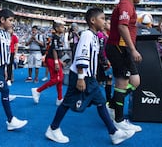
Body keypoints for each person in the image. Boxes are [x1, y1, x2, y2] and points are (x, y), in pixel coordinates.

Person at [45, 8, 135, 145]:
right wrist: (81, 77)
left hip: (89, 77)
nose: (105, 22)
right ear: (93, 21)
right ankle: (53, 128)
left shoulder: (94, 36)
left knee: (100, 102)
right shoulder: (87, 35)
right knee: (68, 102)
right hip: (82, 76)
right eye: (103, 18)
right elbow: (82, 54)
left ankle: (113, 132)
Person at [105, 0, 144, 132]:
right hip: (120, 47)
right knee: (124, 83)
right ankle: (119, 120)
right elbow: (122, 26)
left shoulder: (127, 5)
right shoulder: (126, 5)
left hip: (122, 47)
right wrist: (133, 49)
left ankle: (113, 106)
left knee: (134, 81)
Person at [31, 20, 65, 106]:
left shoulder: (59, 37)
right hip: (52, 59)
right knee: (56, 79)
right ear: (56, 28)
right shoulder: (56, 38)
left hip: (55, 59)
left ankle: (60, 98)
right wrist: (57, 62)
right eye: (61, 26)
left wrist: (59, 61)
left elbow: (58, 51)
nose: (64, 28)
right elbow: (54, 50)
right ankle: (38, 90)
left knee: (60, 79)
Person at [96, 18, 113, 103]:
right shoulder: (100, 35)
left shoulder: (110, 35)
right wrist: (104, 60)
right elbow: (100, 50)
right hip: (101, 61)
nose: (111, 25)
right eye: (109, 23)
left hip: (109, 61)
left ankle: (108, 100)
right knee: (98, 80)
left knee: (108, 79)